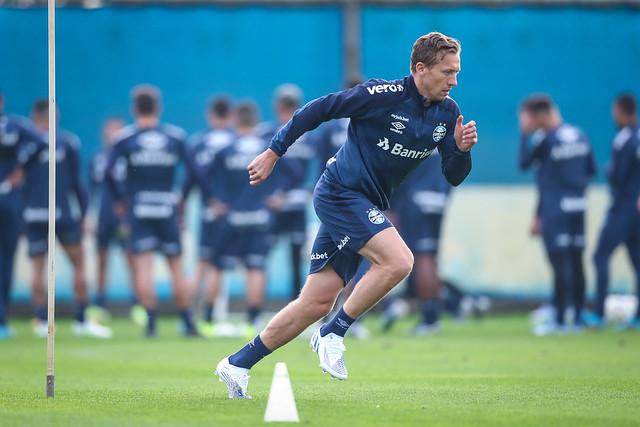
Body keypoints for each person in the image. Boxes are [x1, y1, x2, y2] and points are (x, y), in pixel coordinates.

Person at [215, 32, 477, 399]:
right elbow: (318, 109)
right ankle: (333, 332)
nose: (454, 80)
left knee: (316, 302)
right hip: (339, 194)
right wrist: (274, 152)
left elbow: (453, 174)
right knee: (400, 261)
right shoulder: (383, 96)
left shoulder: (448, 113)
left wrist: (462, 151)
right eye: (448, 72)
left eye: (457, 72)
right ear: (421, 69)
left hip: (364, 206)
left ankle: (238, 364)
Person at [104, 85, 203, 337]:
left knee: (143, 267)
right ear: (158, 108)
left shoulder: (125, 138)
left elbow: (108, 172)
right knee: (176, 266)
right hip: (166, 206)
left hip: (139, 208)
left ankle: (151, 324)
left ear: (135, 109)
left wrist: (121, 200)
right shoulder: (175, 137)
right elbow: (194, 170)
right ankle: (187, 322)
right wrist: (181, 197)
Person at [22, 98, 112, 338]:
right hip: (62, 213)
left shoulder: (25, 143)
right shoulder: (68, 142)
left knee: (37, 267)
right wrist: (84, 214)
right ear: (55, 116)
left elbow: (19, 181)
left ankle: (41, 320)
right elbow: (76, 182)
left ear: (34, 117)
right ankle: (81, 319)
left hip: (33, 214)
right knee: (79, 263)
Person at [519, 95, 596, 335]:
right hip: (578, 206)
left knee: (560, 263)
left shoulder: (545, 139)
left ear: (539, 116)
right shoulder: (580, 135)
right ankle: (580, 317)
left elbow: (524, 164)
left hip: (555, 209)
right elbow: (592, 170)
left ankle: (561, 321)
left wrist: (524, 135)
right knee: (576, 260)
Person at [207, 102, 276, 335]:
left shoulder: (226, 150)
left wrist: (217, 201)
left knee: (218, 266)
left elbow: (211, 181)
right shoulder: (267, 149)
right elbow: (280, 178)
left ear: (236, 120)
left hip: (233, 217)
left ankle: (207, 320)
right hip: (258, 216)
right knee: (256, 267)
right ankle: (253, 320)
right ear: (255, 119)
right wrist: (273, 197)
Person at [257, 84, 316, 300]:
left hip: (274, 203)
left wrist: (276, 193)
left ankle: (257, 307)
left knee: (262, 255)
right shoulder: (309, 135)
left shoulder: (266, 132)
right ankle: (296, 305)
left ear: (277, 105)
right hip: (298, 202)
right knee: (295, 259)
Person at [181, 97, 234, 335]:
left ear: (211, 115)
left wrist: (183, 204)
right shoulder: (235, 141)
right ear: (229, 115)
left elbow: (191, 178)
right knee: (217, 266)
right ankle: (210, 317)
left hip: (207, 210)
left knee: (201, 264)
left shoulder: (198, 143)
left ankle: (189, 317)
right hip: (230, 211)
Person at [590, 93, 640, 330]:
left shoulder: (623, 139)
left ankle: (599, 314)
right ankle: (637, 317)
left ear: (619, 111)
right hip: (637, 208)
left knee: (600, 255)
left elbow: (618, 176)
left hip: (622, 207)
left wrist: (609, 170)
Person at [389, 148, 452, 335]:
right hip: (438, 199)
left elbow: (398, 169)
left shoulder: (412, 130)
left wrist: (392, 205)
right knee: (430, 258)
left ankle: (429, 319)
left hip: (415, 199)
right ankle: (432, 318)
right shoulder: (443, 128)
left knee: (420, 258)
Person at [0, 90, 45, 339]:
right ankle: (2, 319)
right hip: (10, 197)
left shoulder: (15, 125)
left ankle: (2, 318)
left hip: (9, 198)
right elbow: (40, 142)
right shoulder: (14, 126)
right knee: (6, 259)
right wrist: (21, 167)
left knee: (5, 259)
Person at [87, 118, 136, 320]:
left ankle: (137, 304)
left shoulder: (129, 156)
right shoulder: (97, 158)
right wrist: (89, 216)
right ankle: (100, 304)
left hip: (124, 216)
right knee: (101, 259)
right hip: (104, 215)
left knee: (131, 259)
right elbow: (92, 190)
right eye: (110, 132)